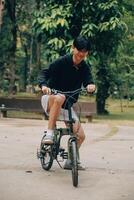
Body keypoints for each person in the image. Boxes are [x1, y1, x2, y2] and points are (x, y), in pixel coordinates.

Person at [38, 36, 96, 169]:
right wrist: (43, 86)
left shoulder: (84, 67)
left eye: (85, 52)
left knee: (80, 136)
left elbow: (89, 80)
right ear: (73, 48)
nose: (81, 54)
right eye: (79, 50)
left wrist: (91, 86)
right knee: (60, 97)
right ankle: (50, 133)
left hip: (66, 107)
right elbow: (44, 73)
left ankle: (71, 161)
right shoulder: (62, 61)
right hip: (50, 100)